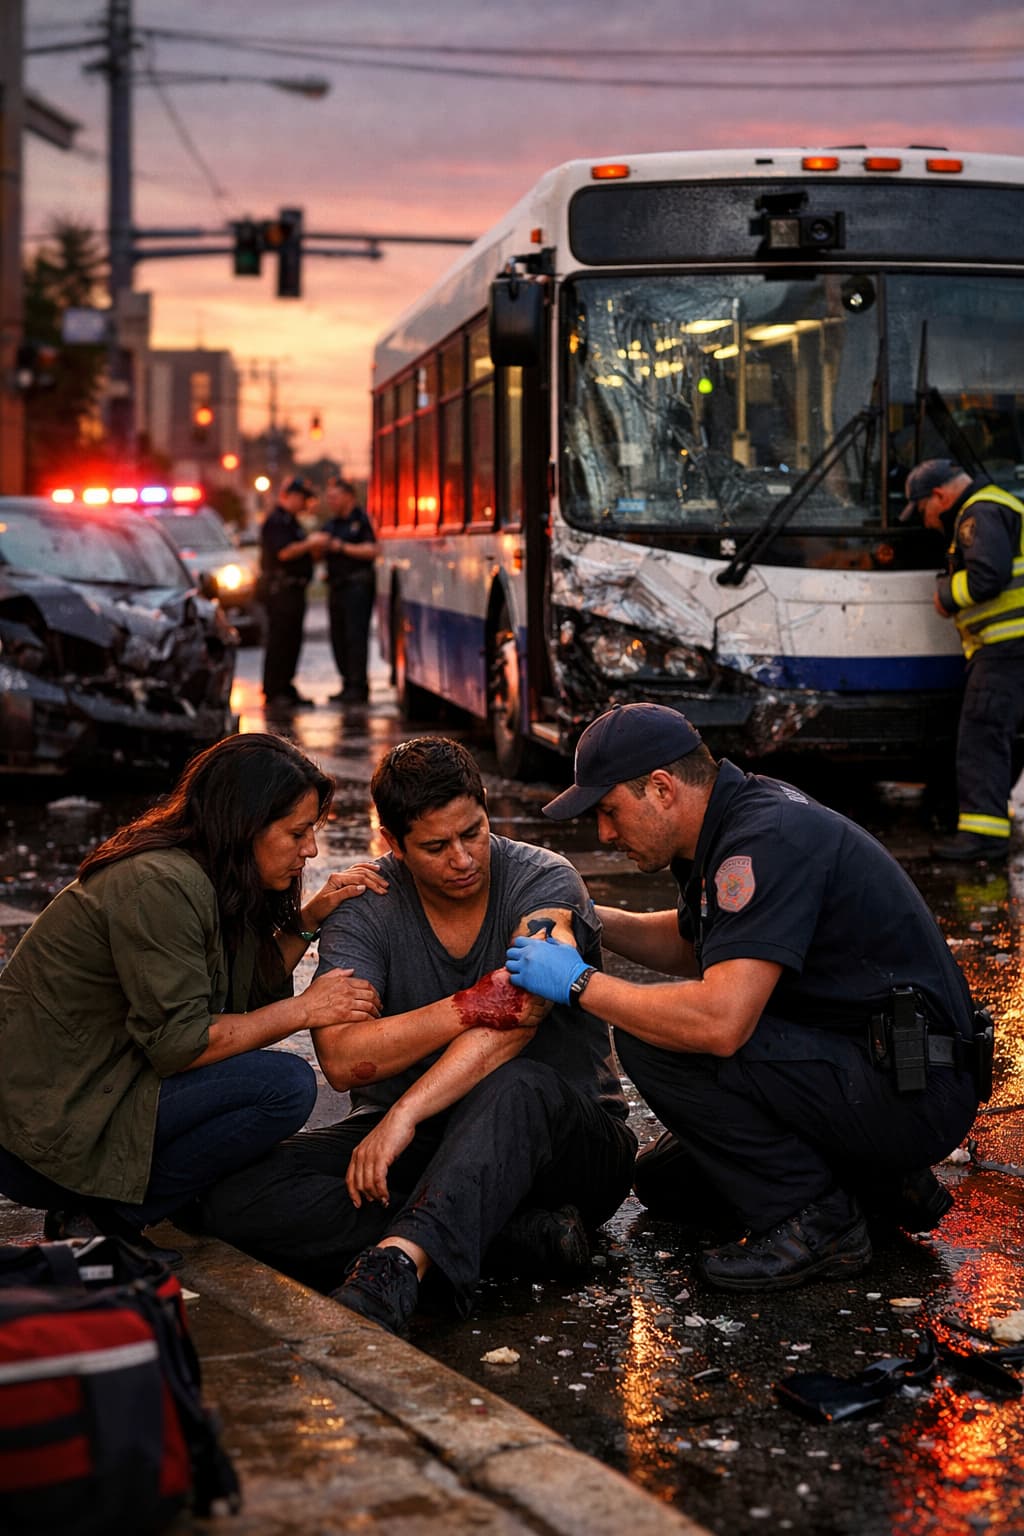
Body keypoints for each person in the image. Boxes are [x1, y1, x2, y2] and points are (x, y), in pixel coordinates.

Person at [505, 703, 988, 1294]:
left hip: (911, 1089)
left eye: (609, 810)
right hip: (877, 1064)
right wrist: (588, 919)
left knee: (652, 1038)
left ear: (661, 788)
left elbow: (721, 1024)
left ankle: (819, 1223)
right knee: (667, 1184)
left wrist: (580, 984)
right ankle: (878, 1182)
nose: (604, 833)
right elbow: (696, 944)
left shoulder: (761, 841)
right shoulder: (731, 818)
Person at [198, 736, 637, 1335]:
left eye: (473, 833)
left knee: (518, 1084)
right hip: (431, 1145)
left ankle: (395, 1269)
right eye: (435, 846)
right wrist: (471, 1005)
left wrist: (402, 1114)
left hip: (568, 1149)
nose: (463, 859)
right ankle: (507, 1240)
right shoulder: (366, 900)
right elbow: (345, 1060)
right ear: (392, 844)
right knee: (230, 1192)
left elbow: (519, 1014)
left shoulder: (541, 879)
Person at [0, 733, 383, 1252]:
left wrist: (310, 917)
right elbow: (181, 1044)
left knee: (268, 1090)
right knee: (284, 1087)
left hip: (95, 1092)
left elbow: (244, 995)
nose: (310, 849)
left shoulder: (214, 875)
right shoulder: (161, 883)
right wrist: (303, 1010)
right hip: (42, 1130)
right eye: (296, 833)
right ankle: (104, 1219)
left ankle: (96, 1210)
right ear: (245, 825)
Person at [903, 458, 1024, 862]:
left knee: (982, 738)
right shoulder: (996, 505)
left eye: (923, 510)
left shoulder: (980, 512)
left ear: (939, 495)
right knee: (998, 737)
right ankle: (988, 830)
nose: (926, 521)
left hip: (1006, 649)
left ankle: (983, 838)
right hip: (1008, 649)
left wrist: (945, 594)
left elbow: (987, 578)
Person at [260, 475, 329, 710]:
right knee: (280, 640)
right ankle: (274, 689)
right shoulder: (277, 521)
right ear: (288, 496)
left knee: (293, 640)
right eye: (302, 498)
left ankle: (286, 686)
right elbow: (284, 553)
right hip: (282, 590)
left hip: (295, 589)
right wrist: (310, 544)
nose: (304, 504)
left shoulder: (292, 522)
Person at [322, 476, 377, 705]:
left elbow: (372, 550)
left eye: (335, 497)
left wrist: (342, 547)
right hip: (336, 586)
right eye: (329, 498)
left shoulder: (362, 520)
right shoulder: (332, 524)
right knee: (338, 638)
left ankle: (358, 686)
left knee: (356, 637)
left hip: (357, 587)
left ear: (348, 497)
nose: (331, 502)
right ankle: (346, 684)